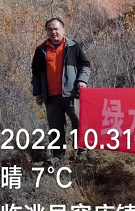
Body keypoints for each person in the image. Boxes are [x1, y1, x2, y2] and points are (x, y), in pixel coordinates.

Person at [31, 18, 92, 161]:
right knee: (56, 128)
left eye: (56, 28)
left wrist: (82, 80)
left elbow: (85, 65)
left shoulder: (73, 46)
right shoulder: (40, 50)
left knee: (78, 122)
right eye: (50, 29)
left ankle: (82, 152)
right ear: (47, 31)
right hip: (51, 97)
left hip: (72, 95)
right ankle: (58, 157)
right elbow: (35, 73)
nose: (54, 32)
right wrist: (38, 93)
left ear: (63, 30)